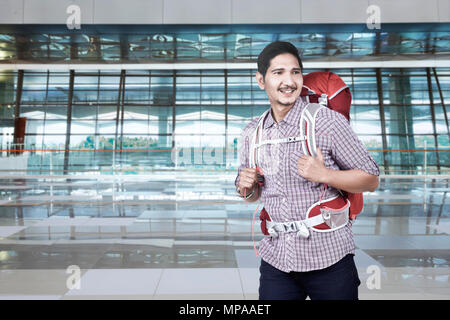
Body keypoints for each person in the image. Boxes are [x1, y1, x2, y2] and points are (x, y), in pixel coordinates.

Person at [235, 41, 380, 300]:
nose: (289, 81)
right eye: (278, 73)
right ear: (261, 80)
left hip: (330, 258)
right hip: (277, 260)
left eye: (295, 72)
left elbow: (370, 179)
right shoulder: (252, 132)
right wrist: (245, 188)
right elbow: (252, 196)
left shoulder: (327, 122)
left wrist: (325, 175)